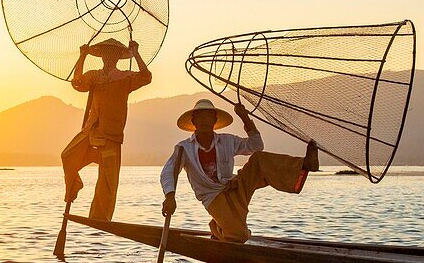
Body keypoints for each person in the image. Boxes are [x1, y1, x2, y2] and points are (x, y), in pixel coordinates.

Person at [160, 98, 319, 242]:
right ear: (193, 122)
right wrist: (170, 197)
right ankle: (217, 228)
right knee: (239, 235)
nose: (204, 121)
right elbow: (168, 172)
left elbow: (256, 146)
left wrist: (245, 117)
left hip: (234, 187)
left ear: (214, 120)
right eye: (200, 117)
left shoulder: (226, 140)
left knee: (259, 159)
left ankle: (305, 164)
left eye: (208, 116)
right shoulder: (184, 148)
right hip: (212, 197)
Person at [61, 38, 151, 221]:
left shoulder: (125, 77)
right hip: (91, 129)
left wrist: (136, 53)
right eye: (106, 53)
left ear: (118, 56)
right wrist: (82, 56)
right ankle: (74, 185)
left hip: (111, 134)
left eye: (113, 54)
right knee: (67, 155)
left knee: (107, 181)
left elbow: (146, 77)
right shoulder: (94, 76)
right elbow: (77, 82)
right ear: (101, 56)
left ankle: (99, 219)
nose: (109, 57)